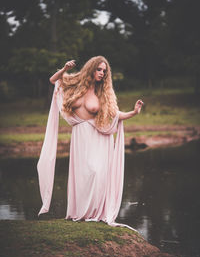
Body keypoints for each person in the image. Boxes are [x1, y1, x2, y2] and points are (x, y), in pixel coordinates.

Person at [37, 56, 143, 228]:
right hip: (79, 137)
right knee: (81, 176)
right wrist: (64, 69)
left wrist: (134, 112)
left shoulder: (103, 94)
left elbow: (115, 115)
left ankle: (96, 212)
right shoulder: (75, 84)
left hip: (97, 138)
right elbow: (53, 80)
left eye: (104, 71)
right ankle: (80, 213)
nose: (101, 73)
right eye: (99, 69)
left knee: (95, 172)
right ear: (91, 69)